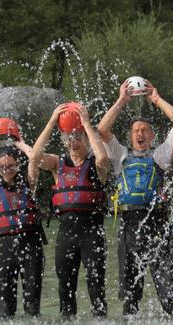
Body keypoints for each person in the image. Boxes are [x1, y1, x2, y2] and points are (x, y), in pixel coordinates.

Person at [97, 79, 173, 317]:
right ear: (130, 135)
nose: (140, 133)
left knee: (167, 296)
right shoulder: (120, 156)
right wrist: (122, 101)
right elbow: (102, 129)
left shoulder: (160, 156)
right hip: (129, 229)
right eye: (136, 130)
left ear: (152, 135)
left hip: (157, 227)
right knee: (130, 300)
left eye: (145, 130)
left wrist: (155, 99)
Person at [29, 102, 109, 319]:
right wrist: (52, 121)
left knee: (96, 285)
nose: (73, 142)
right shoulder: (57, 164)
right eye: (68, 138)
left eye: (77, 137)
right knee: (65, 288)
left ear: (85, 137)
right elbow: (35, 158)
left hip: (92, 234)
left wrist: (85, 123)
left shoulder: (96, 164)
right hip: (66, 235)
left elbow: (103, 158)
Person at [0, 118, 45, 319]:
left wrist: (19, 143)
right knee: (6, 308)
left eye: (11, 166)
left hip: (31, 246)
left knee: (32, 307)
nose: (7, 170)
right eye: (2, 167)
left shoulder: (29, 183)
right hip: (4, 248)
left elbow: (35, 158)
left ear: (17, 164)